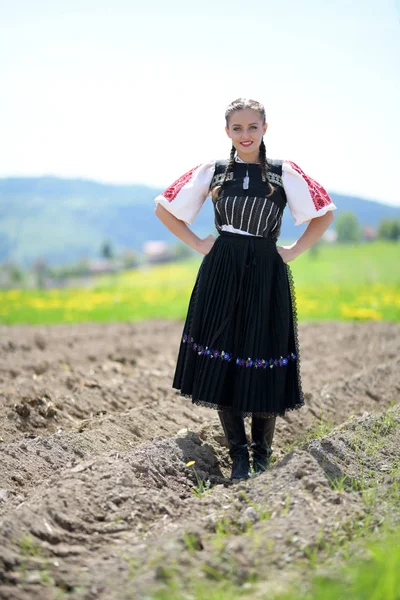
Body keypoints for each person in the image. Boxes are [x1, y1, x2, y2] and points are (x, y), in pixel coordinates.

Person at [154, 97, 336, 481]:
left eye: (253, 127)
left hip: (267, 270)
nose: (245, 134)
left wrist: (294, 251)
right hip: (222, 268)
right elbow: (165, 208)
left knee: (263, 351)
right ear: (227, 133)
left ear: (265, 129)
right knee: (224, 354)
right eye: (237, 128)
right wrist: (200, 244)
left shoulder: (284, 173)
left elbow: (324, 213)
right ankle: (238, 455)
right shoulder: (214, 171)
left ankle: (262, 455)